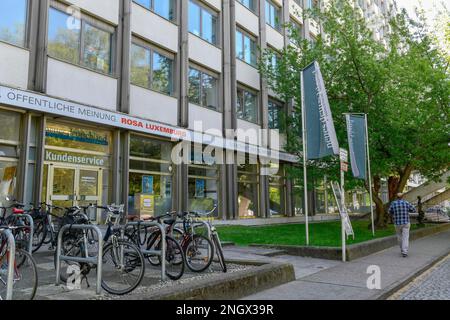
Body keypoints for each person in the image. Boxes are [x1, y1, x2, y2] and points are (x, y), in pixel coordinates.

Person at [388, 193, 416, 257]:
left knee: (399, 237)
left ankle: (402, 249)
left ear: (396, 197)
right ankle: (404, 251)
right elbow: (413, 210)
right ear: (402, 197)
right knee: (405, 237)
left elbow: (389, 212)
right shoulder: (406, 203)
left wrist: (393, 213)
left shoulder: (393, 203)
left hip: (397, 223)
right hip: (406, 223)